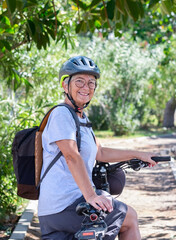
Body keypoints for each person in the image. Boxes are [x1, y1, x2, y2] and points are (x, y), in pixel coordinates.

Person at [38, 56, 156, 240]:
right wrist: (91, 196)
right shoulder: (61, 114)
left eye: (91, 83)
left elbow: (101, 152)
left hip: (65, 205)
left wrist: (139, 154)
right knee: (129, 217)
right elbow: (71, 156)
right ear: (65, 85)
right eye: (79, 81)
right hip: (64, 204)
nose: (86, 87)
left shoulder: (81, 119)